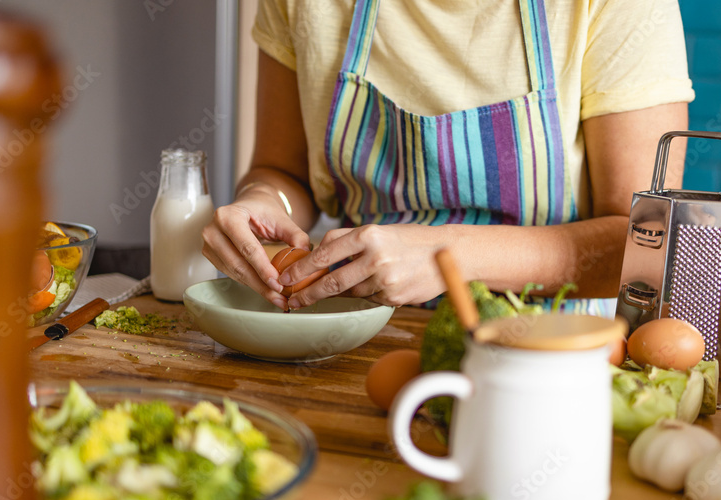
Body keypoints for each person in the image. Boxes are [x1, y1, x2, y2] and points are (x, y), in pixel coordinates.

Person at [201, 0, 694, 314]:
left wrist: (446, 257)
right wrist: (265, 202)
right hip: (356, 337)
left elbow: (647, 243)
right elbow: (283, 172)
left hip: (545, 355)